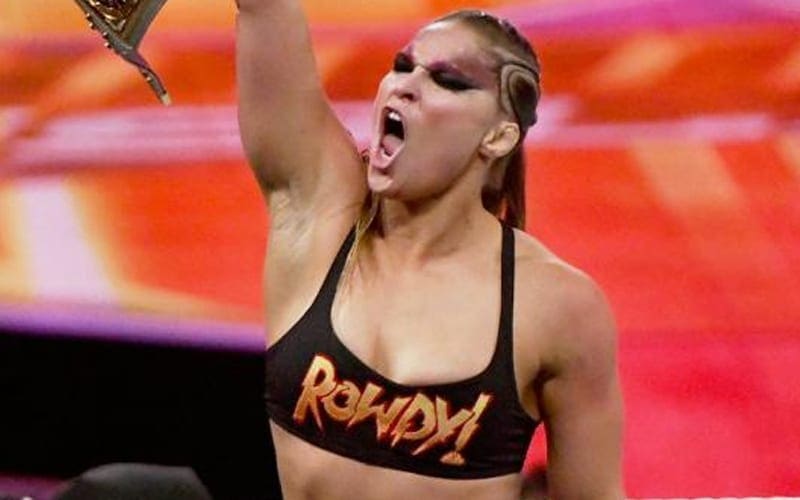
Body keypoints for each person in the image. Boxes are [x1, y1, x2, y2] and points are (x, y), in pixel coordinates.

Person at [237, 1, 623, 498]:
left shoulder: (558, 306)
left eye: (448, 80)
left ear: (499, 136)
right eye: (403, 66)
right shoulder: (318, 211)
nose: (406, 84)